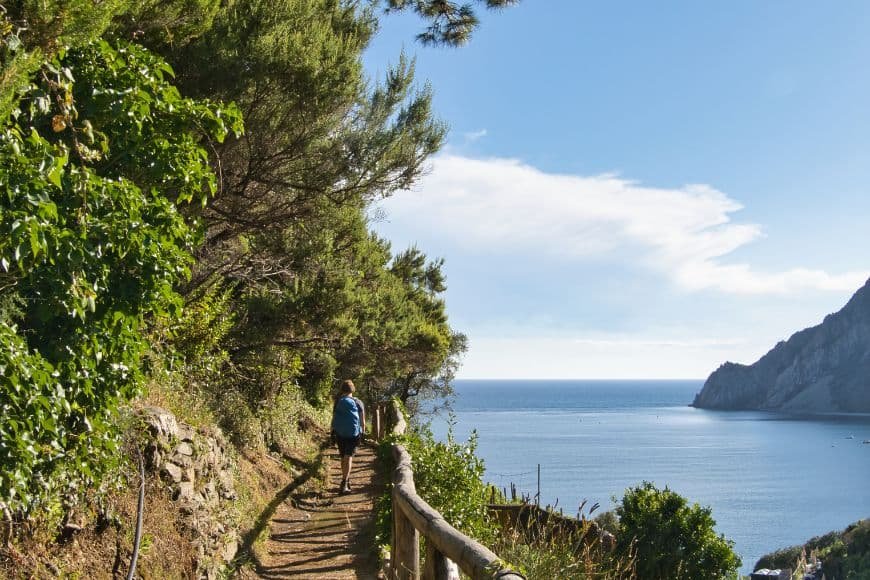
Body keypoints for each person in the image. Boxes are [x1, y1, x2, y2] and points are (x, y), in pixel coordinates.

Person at [330, 379, 366, 494]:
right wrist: (363, 433)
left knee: (343, 457)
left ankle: (345, 479)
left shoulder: (338, 401)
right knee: (348, 457)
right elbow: (362, 421)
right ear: (352, 389)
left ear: (342, 389)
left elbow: (334, 418)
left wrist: (332, 432)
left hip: (340, 433)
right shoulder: (358, 402)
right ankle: (345, 482)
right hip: (353, 434)